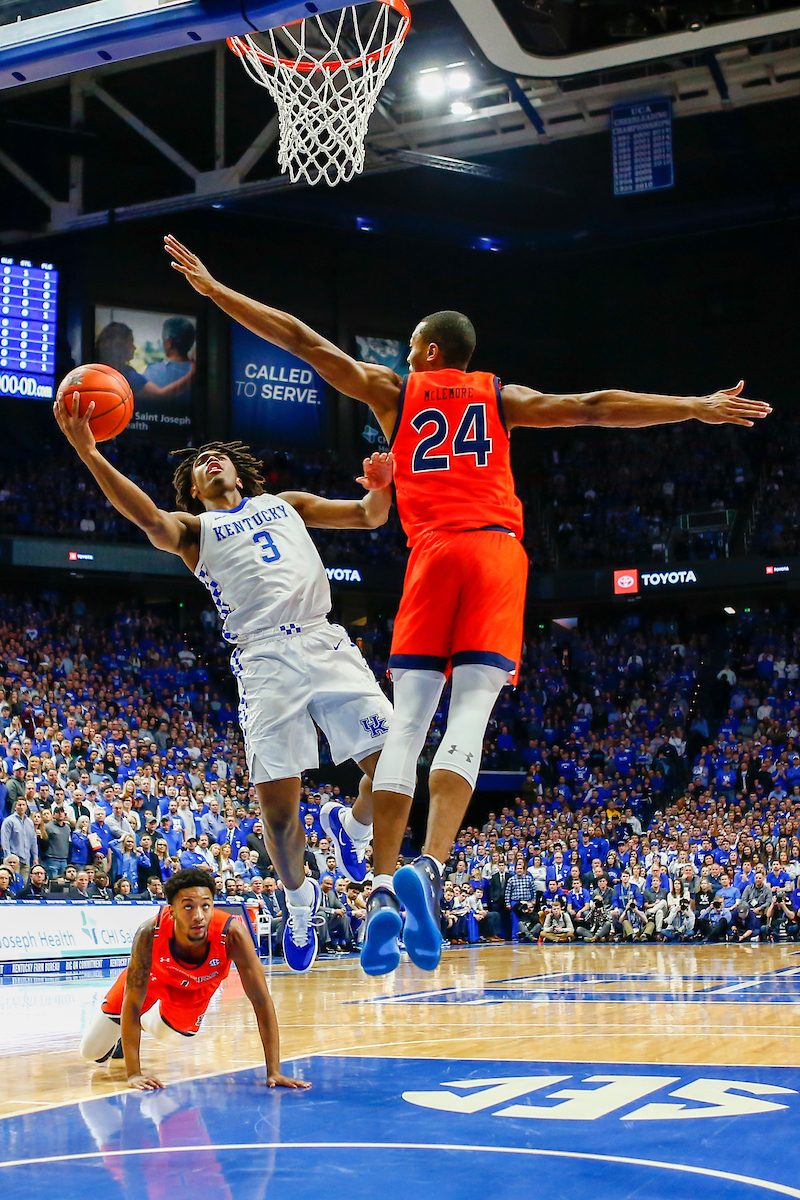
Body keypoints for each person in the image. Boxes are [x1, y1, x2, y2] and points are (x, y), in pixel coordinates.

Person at [161, 233, 773, 977]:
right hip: (493, 552)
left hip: (432, 557)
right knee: (473, 716)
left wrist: (217, 292)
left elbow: (301, 341)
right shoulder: (499, 395)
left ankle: (382, 885)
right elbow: (592, 408)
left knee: (409, 724)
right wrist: (691, 407)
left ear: (420, 352)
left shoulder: (395, 391)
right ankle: (431, 867)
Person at [55, 388, 394, 977]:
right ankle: (299, 901)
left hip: (323, 637)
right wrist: (89, 451)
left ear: (241, 471)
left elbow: (370, 516)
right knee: (282, 816)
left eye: (219, 455)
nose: (211, 461)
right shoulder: (196, 531)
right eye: (197, 465)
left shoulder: (287, 503)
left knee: (394, 766)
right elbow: (146, 516)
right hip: (263, 660)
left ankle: (353, 826)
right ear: (192, 489)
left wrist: (381, 484)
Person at [79, 868, 308, 1091]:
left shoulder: (233, 934)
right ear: (172, 911)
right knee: (90, 1051)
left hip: (195, 988)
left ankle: (135, 1028)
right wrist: (134, 1074)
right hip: (153, 979)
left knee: (162, 1032)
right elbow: (132, 1003)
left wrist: (274, 1071)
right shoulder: (149, 932)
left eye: (205, 906)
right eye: (188, 906)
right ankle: (122, 1035)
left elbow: (262, 1002)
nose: (199, 915)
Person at [1, 797, 37, 882]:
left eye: (23, 805)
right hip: (13, 860)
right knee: (12, 883)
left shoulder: (30, 822)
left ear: (26, 807)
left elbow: (33, 841)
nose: (21, 807)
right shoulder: (9, 821)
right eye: (19, 805)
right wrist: (8, 858)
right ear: (15, 807)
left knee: (22, 885)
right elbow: (5, 840)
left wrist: (35, 857)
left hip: (26, 859)